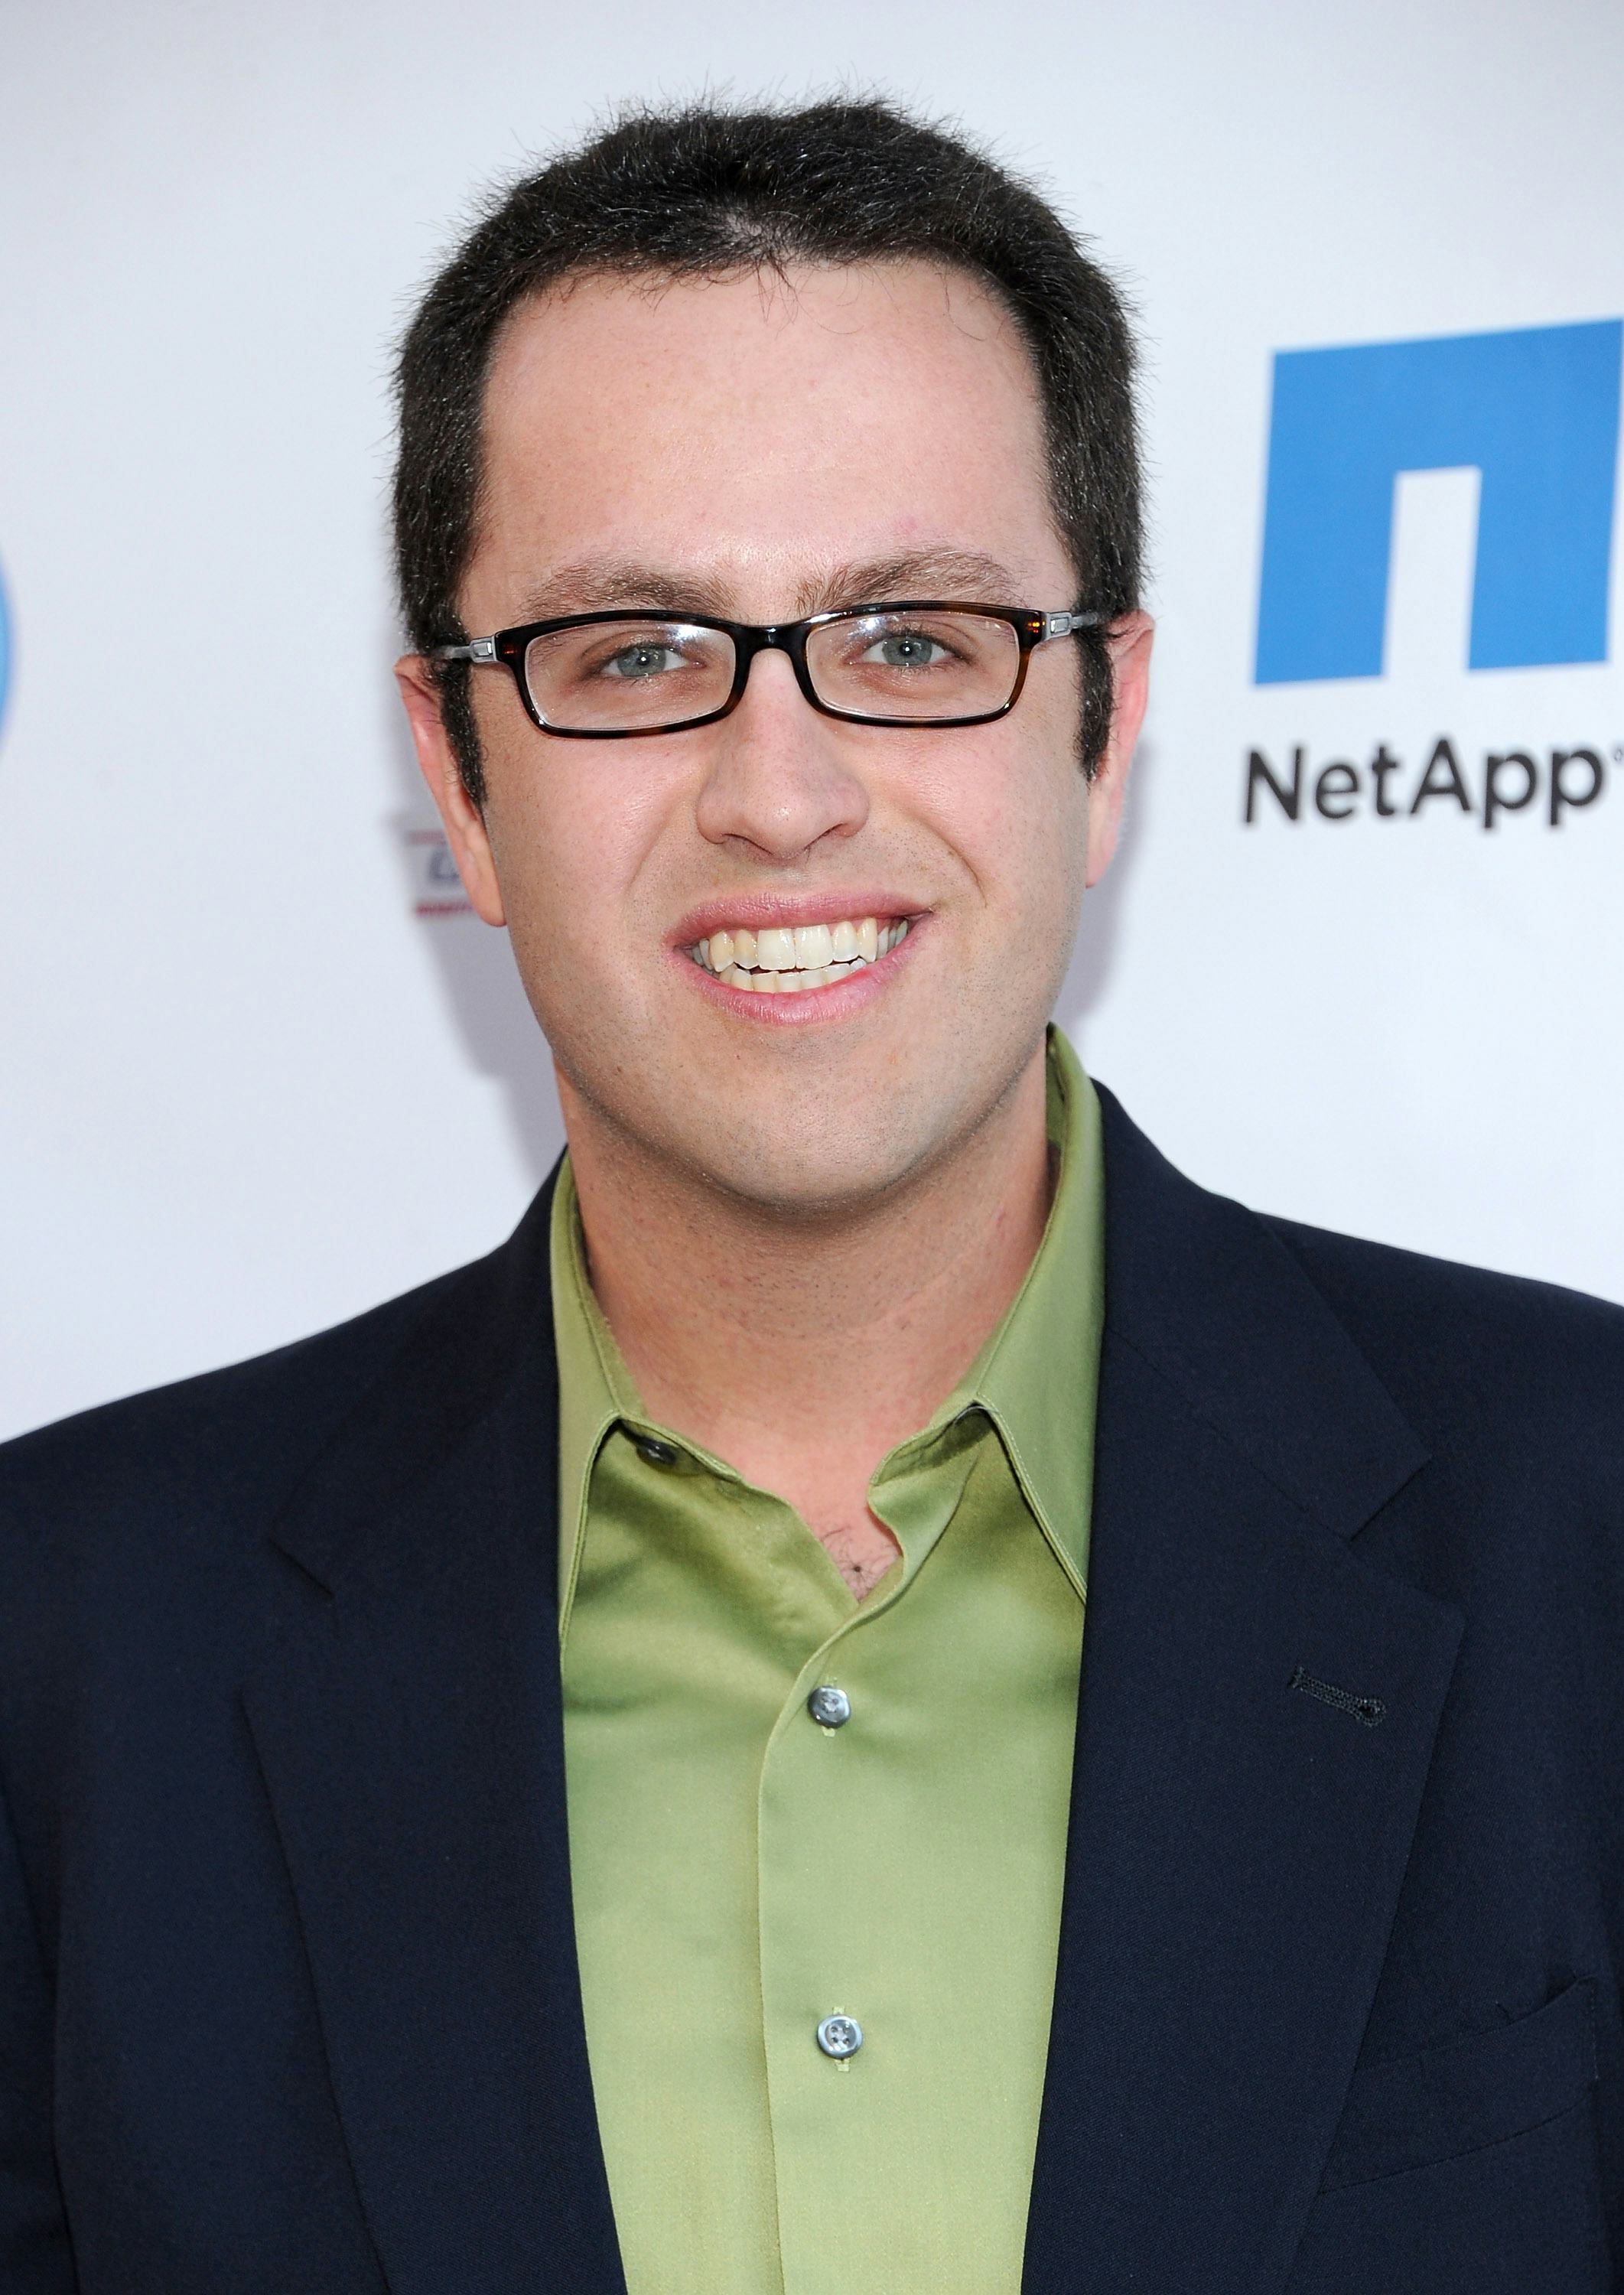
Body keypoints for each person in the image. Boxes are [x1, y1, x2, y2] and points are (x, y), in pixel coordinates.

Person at [1, 94, 1620, 2295]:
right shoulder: (69, 1646)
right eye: (636, 655)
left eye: (914, 638)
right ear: (459, 784)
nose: (779, 793)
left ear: (1102, 727)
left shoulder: (1583, 1520)